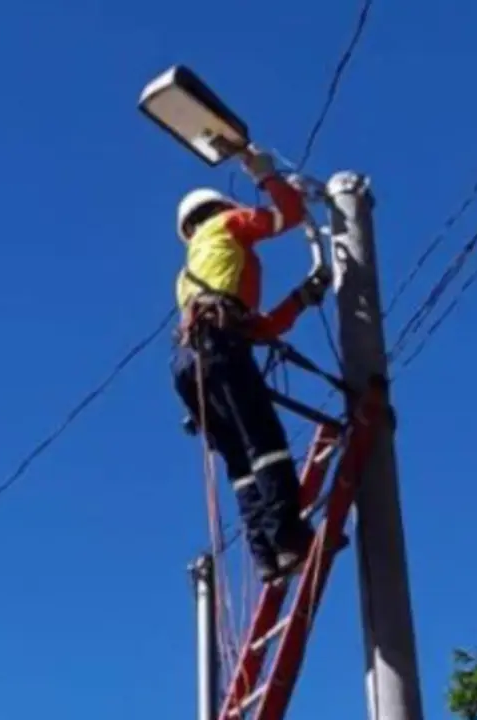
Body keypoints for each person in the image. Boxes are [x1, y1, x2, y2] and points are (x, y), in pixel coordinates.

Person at [170, 145, 327, 582]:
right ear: (218, 208)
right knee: (266, 442)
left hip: (187, 363)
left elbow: (256, 328)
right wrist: (265, 175)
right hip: (218, 346)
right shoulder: (227, 224)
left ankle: (266, 557)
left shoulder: (191, 273)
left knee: (240, 463)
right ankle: (289, 540)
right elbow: (288, 215)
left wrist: (301, 298)